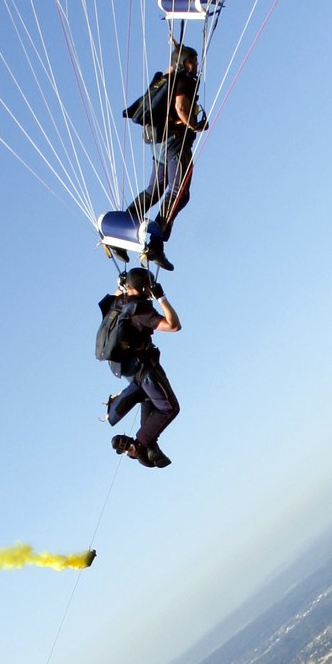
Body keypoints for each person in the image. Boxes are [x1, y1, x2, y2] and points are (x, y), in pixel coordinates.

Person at [95, 265, 182, 467]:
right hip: (145, 370)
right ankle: (140, 446)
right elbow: (174, 325)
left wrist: (122, 283)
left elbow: (117, 292)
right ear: (145, 289)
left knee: (149, 400)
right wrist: (161, 298)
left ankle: (149, 446)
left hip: (127, 369)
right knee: (169, 408)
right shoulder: (140, 311)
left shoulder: (115, 303)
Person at [122, 42, 208, 245]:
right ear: (184, 64)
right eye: (192, 61)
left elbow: (173, 64)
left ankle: (126, 223)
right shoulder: (185, 81)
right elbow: (180, 107)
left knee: (156, 190)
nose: (195, 64)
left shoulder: (167, 78)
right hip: (176, 143)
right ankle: (156, 240)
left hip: (159, 143)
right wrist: (195, 126)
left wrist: (176, 47)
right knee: (180, 192)